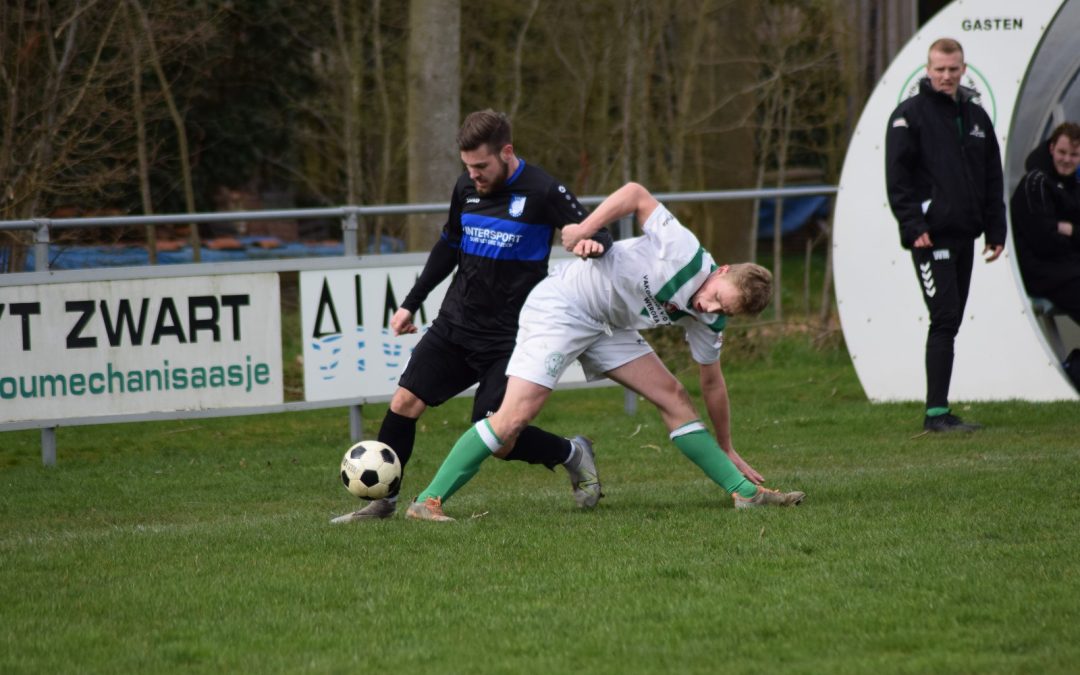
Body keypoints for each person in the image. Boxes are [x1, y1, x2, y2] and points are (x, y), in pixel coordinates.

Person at [405, 181, 806, 522]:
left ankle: (744, 493)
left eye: (725, 310)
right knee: (513, 419)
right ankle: (428, 501)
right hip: (562, 307)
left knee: (675, 398)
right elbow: (635, 193)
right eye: (718, 298)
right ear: (721, 271)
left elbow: (712, 383)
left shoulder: (709, 320)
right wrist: (584, 228)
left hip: (606, 327)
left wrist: (726, 445)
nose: (710, 308)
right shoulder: (684, 252)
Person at [331, 110, 614, 523]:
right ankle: (384, 501)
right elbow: (448, 246)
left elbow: (598, 233)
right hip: (455, 324)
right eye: (467, 167)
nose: (474, 175)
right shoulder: (466, 187)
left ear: (507, 152)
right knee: (404, 401)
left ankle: (572, 452)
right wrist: (411, 302)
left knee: (497, 436)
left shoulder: (543, 190)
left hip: (511, 337)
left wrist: (593, 245)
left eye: (482, 166)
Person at [884, 37, 1006, 433]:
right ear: (928, 69)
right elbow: (897, 178)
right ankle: (936, 414)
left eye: (953, 69)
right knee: (945, 317)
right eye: (940, 69)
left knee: (950, 321)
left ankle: (941, 411)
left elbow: (992, 177)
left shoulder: (976, 117)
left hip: (966, 236)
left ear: (964, 69)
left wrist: (995, 229)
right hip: (930, 238)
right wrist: (913, 226)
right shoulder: (908, 116)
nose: (947, 76)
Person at [1010, 121, 1080, 325]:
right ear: (1051, 148)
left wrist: (1070, 229)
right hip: (1045, 273)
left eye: (1074, 155)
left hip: (1069, 267)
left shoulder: (1074, 186)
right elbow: (1045, 242)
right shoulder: (1035, 183)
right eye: (1062, 152)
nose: (1067, 160)